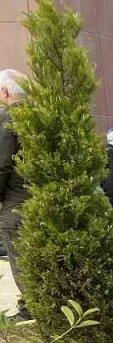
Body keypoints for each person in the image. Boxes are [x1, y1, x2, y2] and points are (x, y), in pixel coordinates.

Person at [0, 69, 29, 319]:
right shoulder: (39, 117)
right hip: (39, 199)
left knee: (20, 259)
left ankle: (30, 308)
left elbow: (2, 164)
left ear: (5, 92)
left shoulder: (6, 118)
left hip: (15, 202)